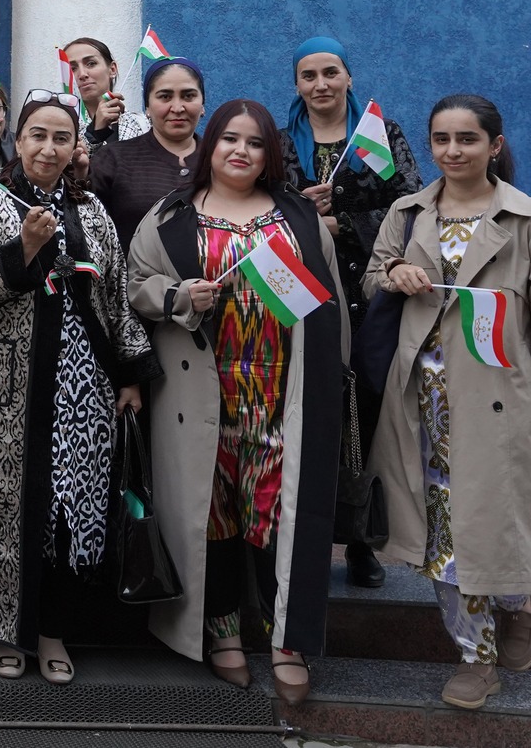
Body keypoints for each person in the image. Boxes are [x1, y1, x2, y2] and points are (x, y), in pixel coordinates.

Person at [125, 99, 345, 708]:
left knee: (277, 517)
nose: (240, 151)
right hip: (200, 397)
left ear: (269, 152)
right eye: (229, 139)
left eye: (254, 142)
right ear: (210, 146)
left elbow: (330, 305)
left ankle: (285, 639)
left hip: (281, 396)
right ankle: (221, 631)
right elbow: (133, 287)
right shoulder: (171, 216)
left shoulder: (297, 215)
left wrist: (334, 376)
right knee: (214, 515)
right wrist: (176, 295)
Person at [0, 94, 159, 685]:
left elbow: (118, 295)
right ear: (19, 140)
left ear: (75, 147)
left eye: (62, 138)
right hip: (4, 389)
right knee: (1, 510)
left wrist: (130, 377)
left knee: (71, 511)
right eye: (37, 135)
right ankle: (3, 628)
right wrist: (25, 248)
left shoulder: (93, 211)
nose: (48, 148)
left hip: (83, 389)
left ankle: (53, 629)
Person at [365, 95, 531, 712]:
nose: (452, 151)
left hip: (499, 398)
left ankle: (516, 598)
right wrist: (394, 273)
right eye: (441, 140)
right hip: (421, 399)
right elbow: (372, 276)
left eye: (467, 139)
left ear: (494, 145)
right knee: (445, 528)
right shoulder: (408, 212)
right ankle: (475, 657)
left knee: (494, 518)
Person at [279, 36, 422, 588]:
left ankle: (362, 541)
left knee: (366, 417)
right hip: (304, 295)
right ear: (297, 84)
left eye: (330, 72)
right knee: (311, 415)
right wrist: (302, 214)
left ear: (348, 77)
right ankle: (309, 541)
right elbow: (260, 204)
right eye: (308, 75)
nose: (320, 84)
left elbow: (410, 206)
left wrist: (342, 222)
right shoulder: (282, 141)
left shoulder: (379, 136)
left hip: (367, 296)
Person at [89, 58, 206, 242]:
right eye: (165, 97)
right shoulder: (113, 159)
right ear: (148, 108)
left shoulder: (220, 161)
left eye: (188, 96)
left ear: (202, 105)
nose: (177, 108)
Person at [64, 37, 149, 148]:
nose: (82, 74)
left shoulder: (143, 125)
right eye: (72, 69)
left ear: (112, 69)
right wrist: (94, 134)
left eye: (91, 63)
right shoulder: (62, 128)